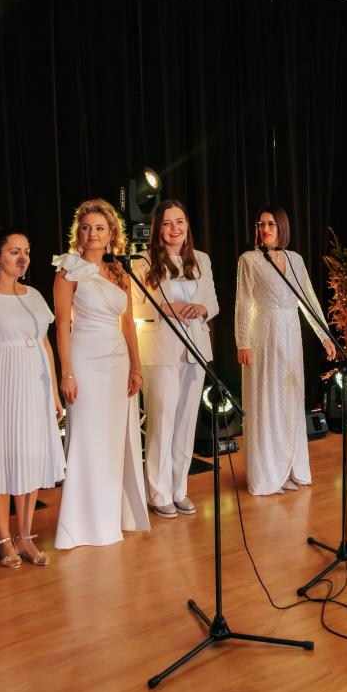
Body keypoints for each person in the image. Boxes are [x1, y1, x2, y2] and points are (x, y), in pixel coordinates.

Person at [0, 227, 66, 568]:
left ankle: (25, 536)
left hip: (34, 388)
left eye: (27, 252)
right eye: (14, 252)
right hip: (1, 389)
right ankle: (4, 538)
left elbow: (45, 344)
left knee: (31, 458)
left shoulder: (34, 296)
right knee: (2, 459)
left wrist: (53, 393)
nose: (23, 258)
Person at [53, 199, 151, 548]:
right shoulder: (68, 270)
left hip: (117, 360)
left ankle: (110, 518)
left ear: (112, 234)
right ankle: (80, 524)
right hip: (85, 358)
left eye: (99, 228)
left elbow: (128, 324)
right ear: (78, 233)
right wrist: (67, 372)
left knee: (112, 440)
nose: (92, 234)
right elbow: (61, 326)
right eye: (86, 228)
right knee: (86, 438)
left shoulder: (120, 271)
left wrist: (136, 366)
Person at [234, 205, 336, 495]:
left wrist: (325, 336)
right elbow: (243, 303)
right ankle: (268, 475)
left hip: (290, 336)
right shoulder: (249, 260)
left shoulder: (295, 259)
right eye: (261, 223)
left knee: (289, 402)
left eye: (271, 224)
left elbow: (309, 300)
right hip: (263, 335)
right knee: (267, 402)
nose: (265, 228)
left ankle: (289, 468)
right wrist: (243, 342)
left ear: (282, 228)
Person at [133, 200, 219, 519]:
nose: (174, 228)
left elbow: (213, 301)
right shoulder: (142, 262)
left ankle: (179, 489)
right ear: (158, 228)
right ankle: (159, 493)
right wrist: (166, 309)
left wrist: (202, 308)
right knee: (162, 422)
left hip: (194, 349)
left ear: (187, 225)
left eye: (179, 221)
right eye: (168, 223)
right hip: (160, 351)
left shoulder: (201, 259)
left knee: (185, 423)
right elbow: (132, 307)